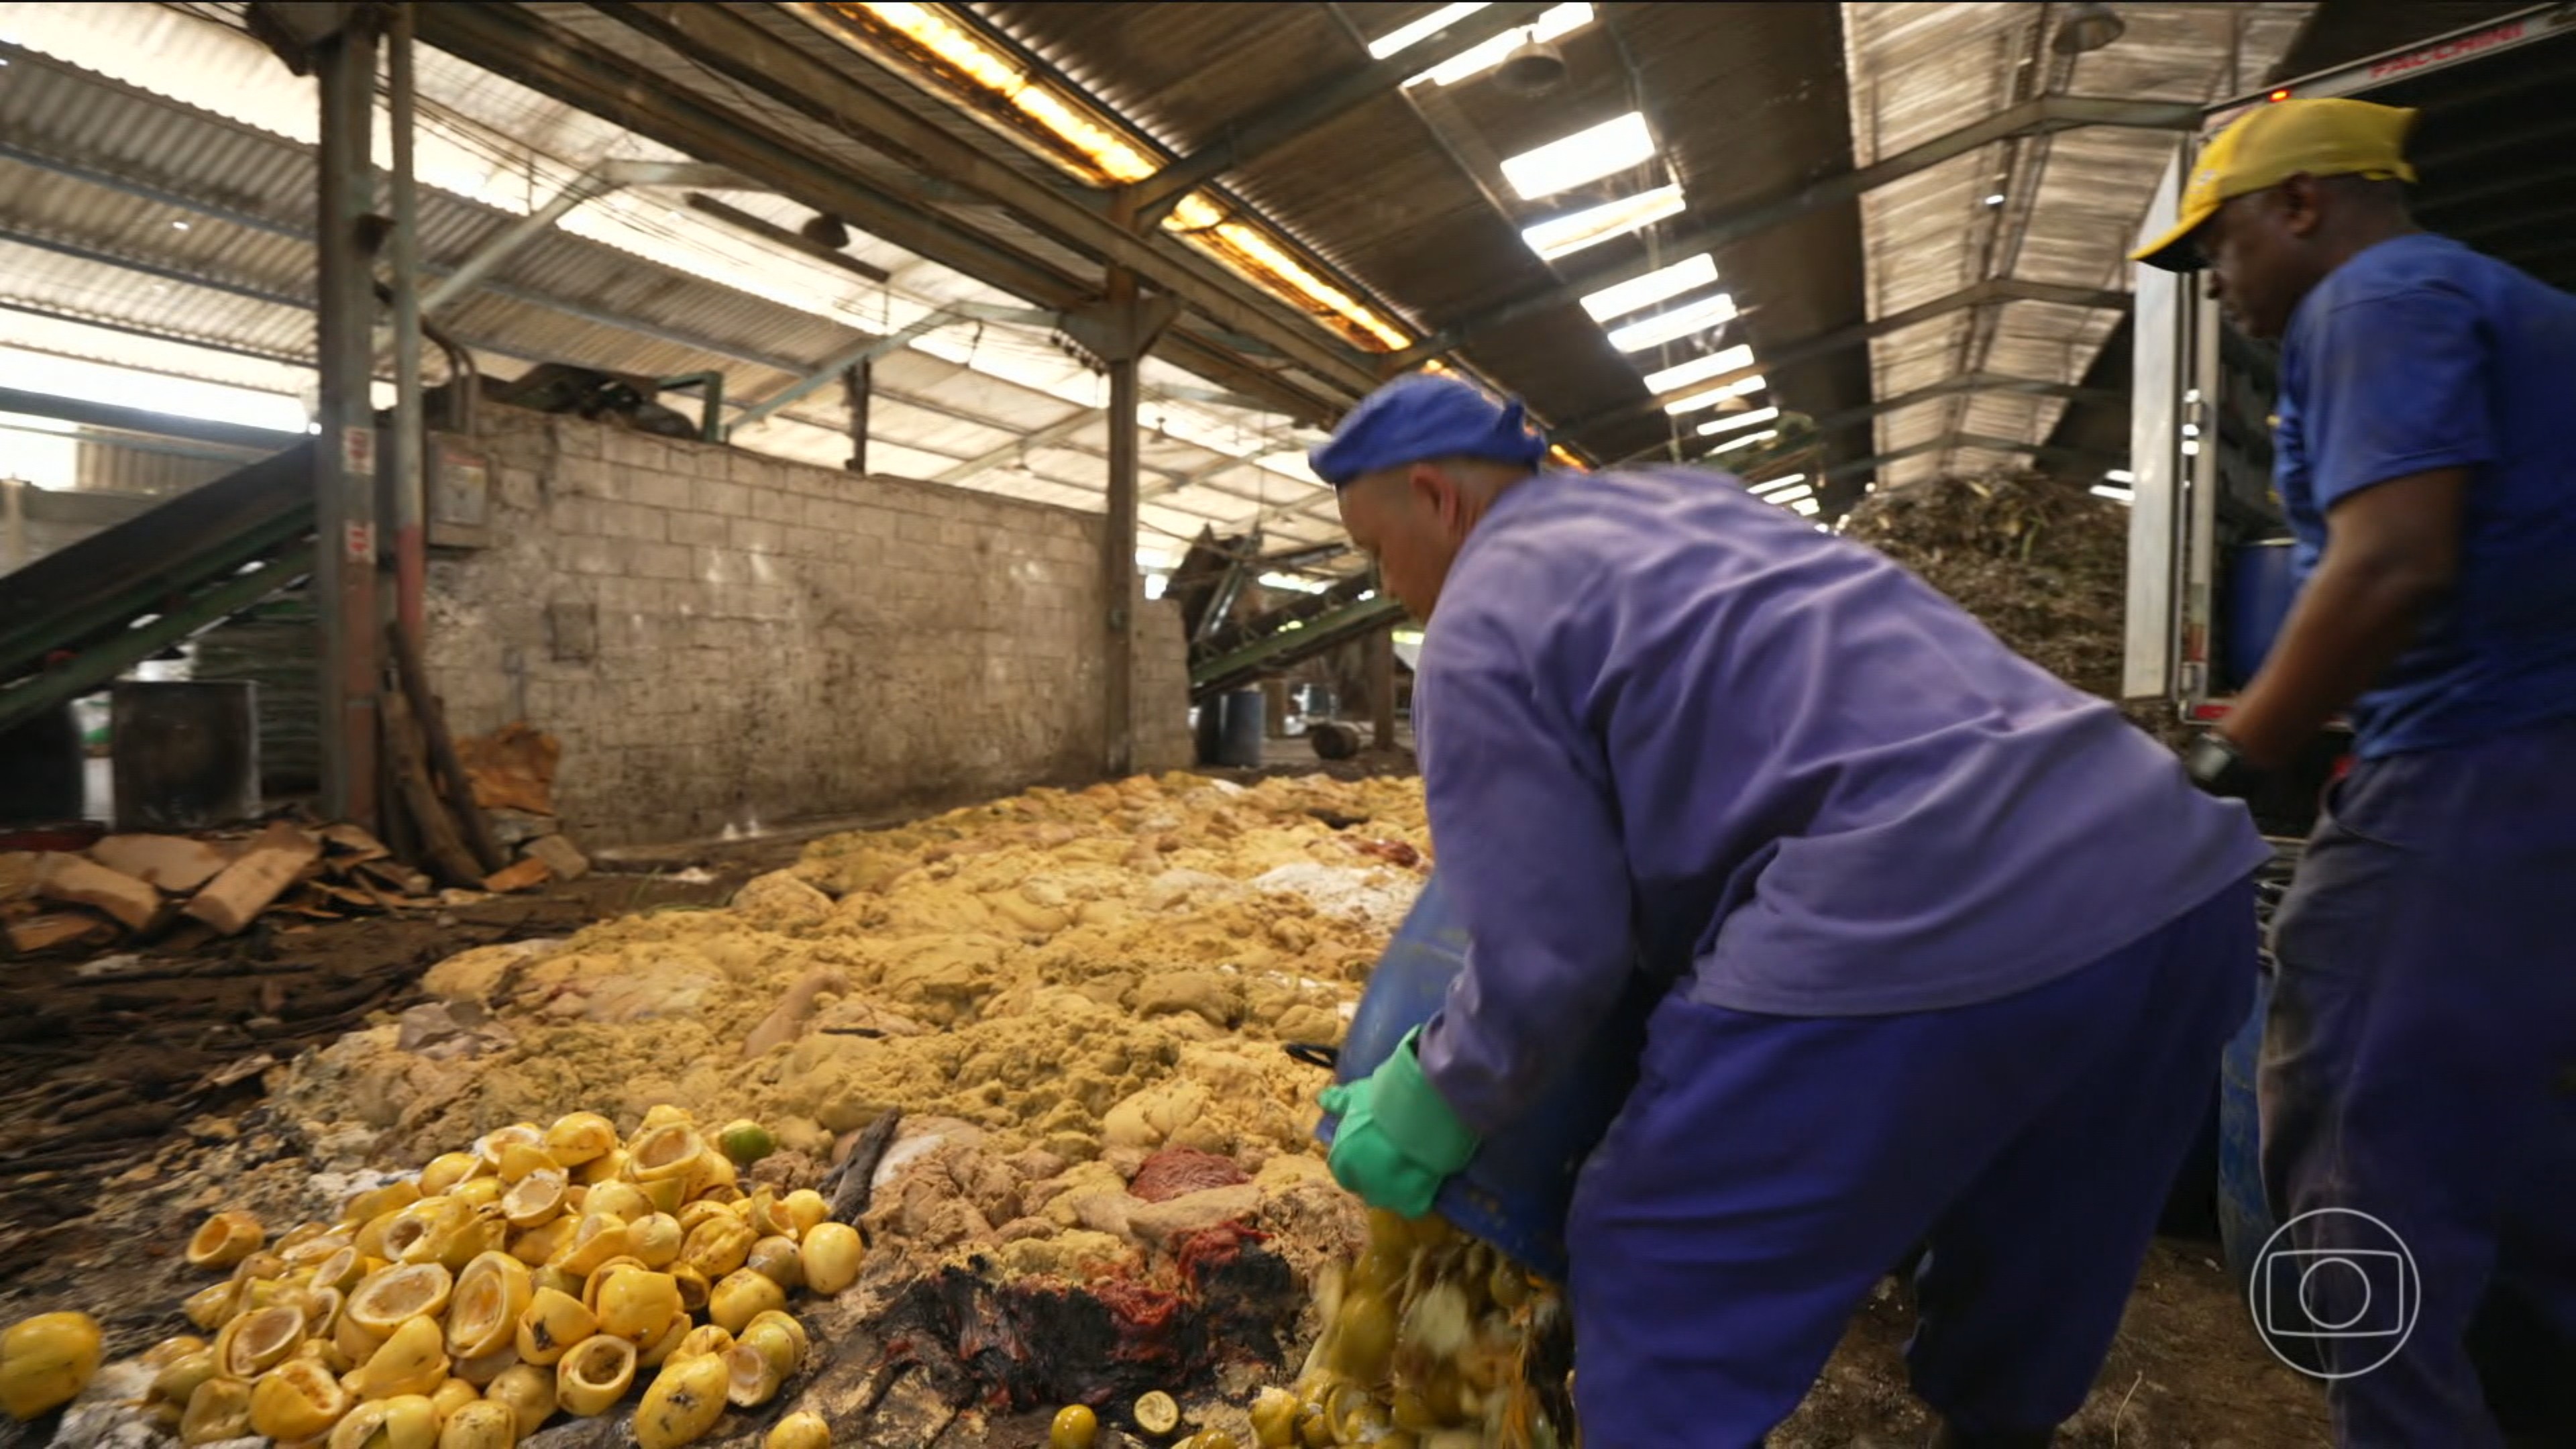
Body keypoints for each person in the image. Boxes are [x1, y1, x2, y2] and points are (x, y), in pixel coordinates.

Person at [1306, 372, 2269, 1446]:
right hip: (2175, 883)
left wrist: (1442, 1092)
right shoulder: (1688, 505)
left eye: (1375, 549)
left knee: (1664, 1251)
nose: (1388, 586)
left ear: (1438, 499)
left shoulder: (1487, 611)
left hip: (1921, 897)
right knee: (2039, 1236)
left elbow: (1552, 953)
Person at [2135, 95, 2576, 1446]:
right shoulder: (2496, 302)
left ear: (2303, 206)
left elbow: (2389, 562)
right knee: (2521, 1163)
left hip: (2474, 773)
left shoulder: (2376, 300)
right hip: (2534, 783)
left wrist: (2227, 753)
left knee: (2351, 1163)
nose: (2221, 284)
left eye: (2222, 248)